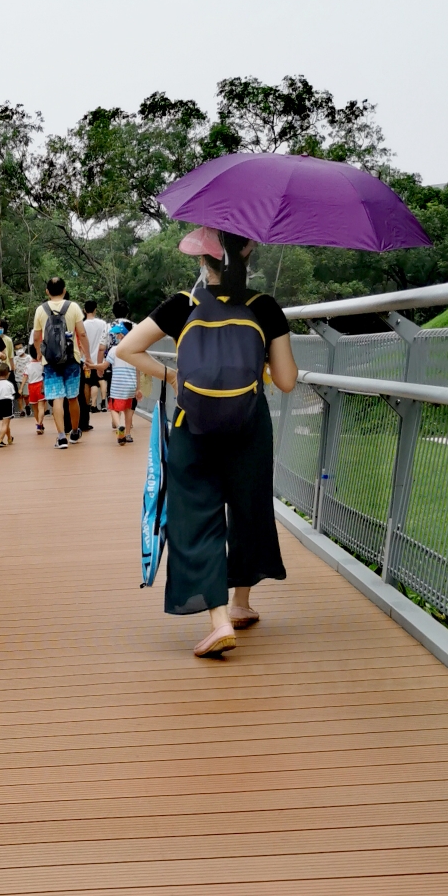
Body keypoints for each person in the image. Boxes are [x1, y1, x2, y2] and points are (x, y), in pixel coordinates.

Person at [115, 227, 297, 656]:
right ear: (249, 255)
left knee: (197, 513)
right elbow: (287, 381)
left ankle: (217, 621)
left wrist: (174, 375)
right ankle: (241, 603)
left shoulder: (183, 304)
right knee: (248, 508)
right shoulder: (265, 307)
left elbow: (127, 349)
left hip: (191, 423)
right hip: (250, 426)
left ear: (203, 261)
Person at [32, 277, 88, 449]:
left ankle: (61, 436)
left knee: (57, 398)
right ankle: (75, 430)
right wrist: (88, 356)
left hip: (50, 361)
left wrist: (40, 355)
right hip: (72, 358)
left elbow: (36, 337)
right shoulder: (73, 307)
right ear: (64, 290)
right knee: (72, 397)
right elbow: (82, 334)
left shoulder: (40, 310)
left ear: (47, 291)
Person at [106, 299, 136, 441]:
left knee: (114, 400)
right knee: (128, 404)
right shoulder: (135, 327)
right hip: (131, 371)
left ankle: (118, 425)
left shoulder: (108, 327)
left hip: (113, 366)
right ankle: (128, 433)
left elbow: (101, 347)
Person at [81, 298, 111, 419]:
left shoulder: (82, 325)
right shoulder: (102, 324)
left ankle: (88, 405)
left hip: (86, 360)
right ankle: (102, 401)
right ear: (95, 310)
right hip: (100, 358)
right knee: (100, 380)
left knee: (88, 382)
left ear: (84, 310)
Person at [0, 367, 16, 446]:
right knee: (5, 424)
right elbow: (13, 394)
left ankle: (9, 438)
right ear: (8, 373)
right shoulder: (9, 384)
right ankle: (0, 440)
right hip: (8, 403)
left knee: (5, 422)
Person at [25, 340, 46, 433]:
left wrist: (21, 388)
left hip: (31, 386)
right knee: (41, 407)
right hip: (40, 385)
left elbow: (25, 377)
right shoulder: (42, 364)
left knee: (35, 408)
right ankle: (40, 424)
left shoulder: (28, 365)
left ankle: (38, 423)